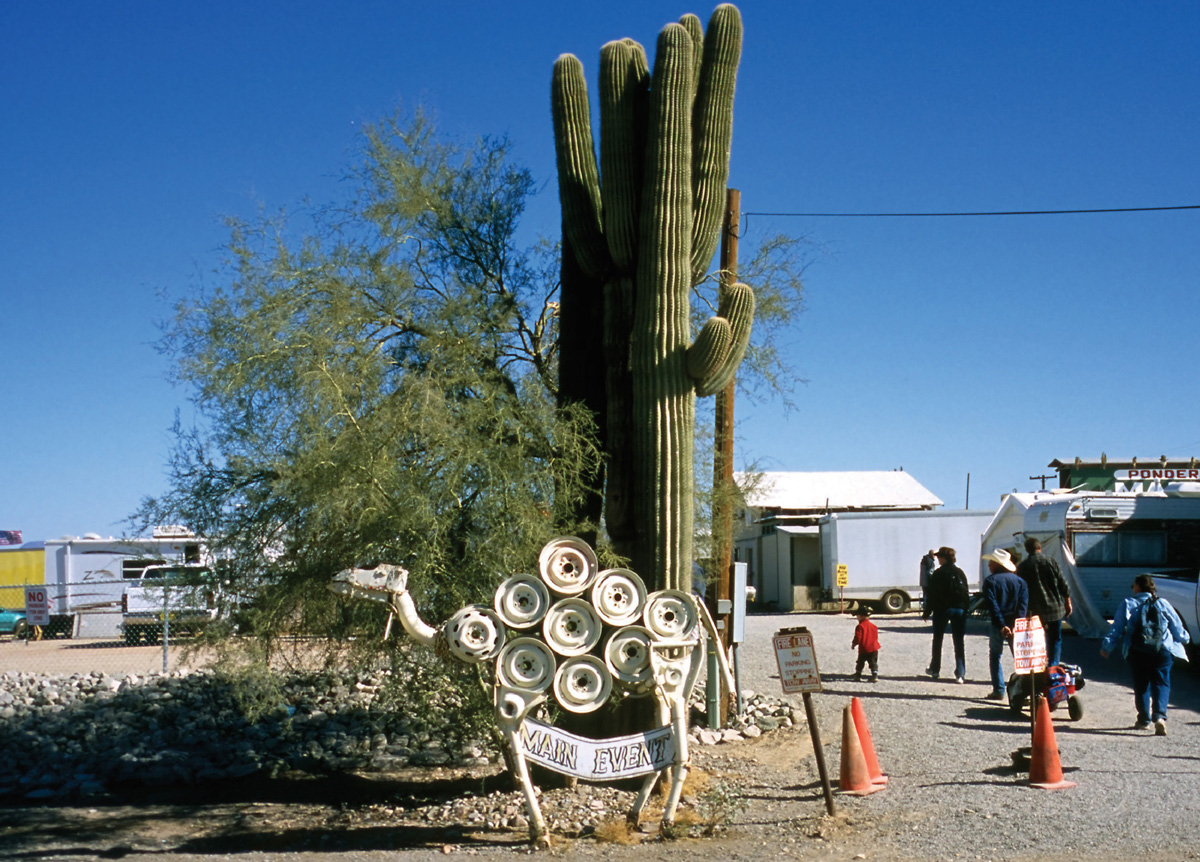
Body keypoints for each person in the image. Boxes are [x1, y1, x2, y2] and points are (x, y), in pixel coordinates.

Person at [1100, 574, 1191, 735]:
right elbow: (1177, 627)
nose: (1132, 588)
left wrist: (1107, 646)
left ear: (1138, 587)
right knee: (1161, 682)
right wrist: (1185, 639)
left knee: (1142, 684)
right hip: (1162, 648)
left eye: (1133, 585)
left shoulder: (1128, 603)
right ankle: (1160, 717)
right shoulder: (1163, 603)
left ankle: (1143, 720)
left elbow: (1117, 628)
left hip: (1138, 650)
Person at [1016, 537, 1073, 667]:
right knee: (1055, 639)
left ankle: (1039, 665)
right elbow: (1062, 583)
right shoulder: (1051, 562)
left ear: (1027, 550)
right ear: (1039, 548)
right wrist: (1067, 601)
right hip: (1055, 608)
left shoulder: (1023, 567)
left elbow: (1020, 591)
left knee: (1037, 639)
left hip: (1034, 610)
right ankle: (1053, 665)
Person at [981, 548, 1028, 700]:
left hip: (998, 623)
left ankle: (999, 690)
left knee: (995, 656)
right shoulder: (1020, 581)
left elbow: (993, 606)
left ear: (996, 564)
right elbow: (1023, 606)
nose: (988, 565)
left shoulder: (990, 581)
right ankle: (1023, 690)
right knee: (1020, 658)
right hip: (1016, 623)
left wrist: (1002, 625)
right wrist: (1016, 624)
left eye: (990, 562)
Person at [923, 546, 969, 683]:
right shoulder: (960, 572)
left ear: (943, 558)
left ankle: (935, 669)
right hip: (959, 609)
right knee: (958, 641)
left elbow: (932, 594)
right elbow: (965, 592)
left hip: (942, 609)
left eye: (938, 557)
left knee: (938, 639)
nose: (937, 560)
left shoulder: (938, 573)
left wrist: (927, 611)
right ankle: (960, 673)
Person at [851, 606, 880, 682]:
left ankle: (858, 674)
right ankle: (875, 675)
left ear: (861, 616)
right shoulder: (874, 626)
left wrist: (854, 644)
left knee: (860, 662)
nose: (857, 618)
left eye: (857, 616)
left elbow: (858, 637)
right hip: (874, 648)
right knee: (873, 662)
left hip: (864, 648)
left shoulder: (860, 626)